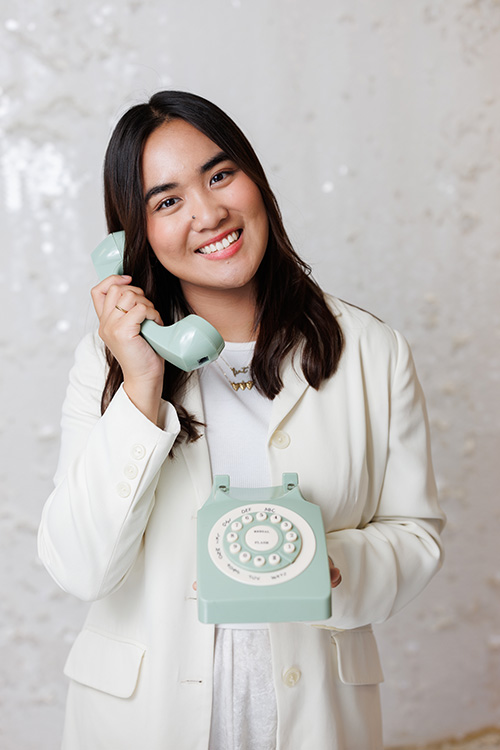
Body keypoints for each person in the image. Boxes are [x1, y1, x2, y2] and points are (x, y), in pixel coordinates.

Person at [38, 90, 445, 750]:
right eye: (167, 201)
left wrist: (333, 564)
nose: (208, 213)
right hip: (144, 721)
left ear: (255, 179)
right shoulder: (105, 363)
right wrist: (142, 385)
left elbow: (415, 531)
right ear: (132, 237)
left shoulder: (373, 351)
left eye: (220, 174)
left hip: (314, 716)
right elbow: (81, 567)